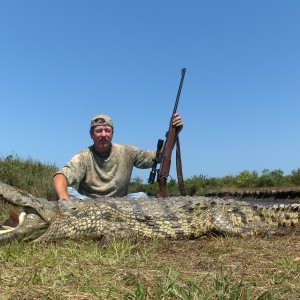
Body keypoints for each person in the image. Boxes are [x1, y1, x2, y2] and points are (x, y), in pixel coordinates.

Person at [53, 113, 183, 200]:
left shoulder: (127, 151)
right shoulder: (84, 156)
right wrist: (65, 202)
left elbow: (159, 157)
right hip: (89, 204)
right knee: (67, 191)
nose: (103, 134)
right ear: (91, 134)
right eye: (98, 131)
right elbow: (60, 176)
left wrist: (174, 134)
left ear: (112, 133)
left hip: (119, 206)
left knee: (142, 196)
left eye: (107, 130)